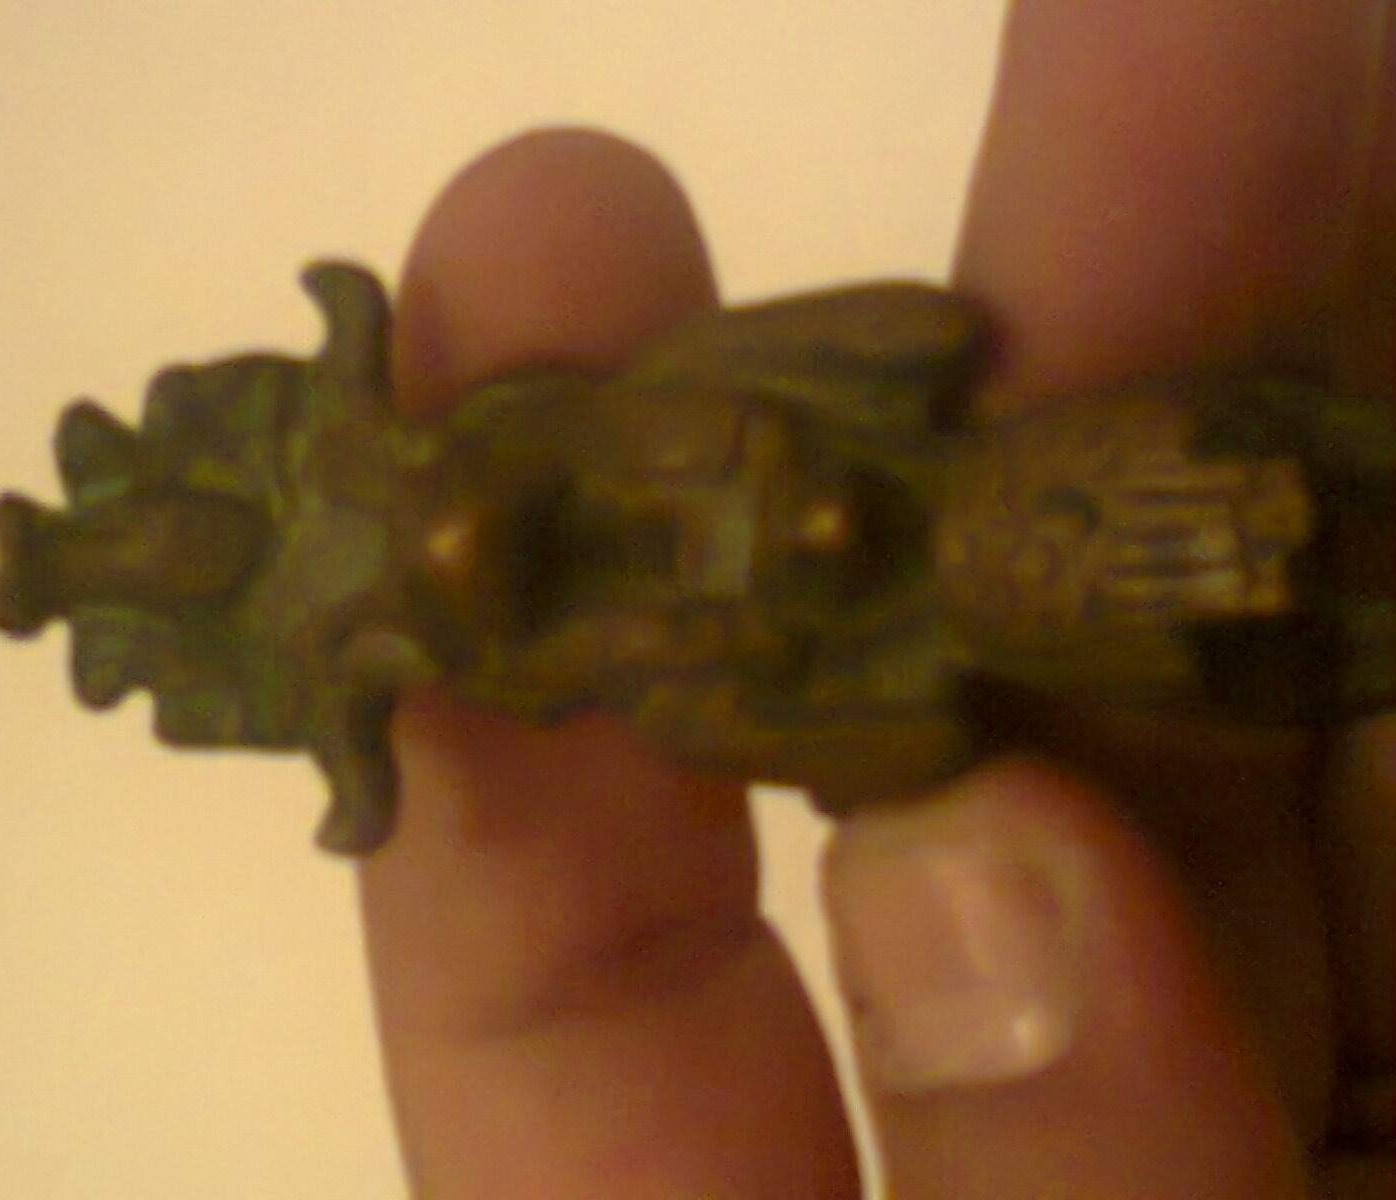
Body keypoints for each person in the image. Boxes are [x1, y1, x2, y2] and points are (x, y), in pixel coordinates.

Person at [355, 2, 1394, 1195]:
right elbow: (881, 740)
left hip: (1034, 478)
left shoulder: (676, 410)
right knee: (1251, 646)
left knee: (1260, 442)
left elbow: (893, 341)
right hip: (1031, 613)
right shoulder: (673, 683)